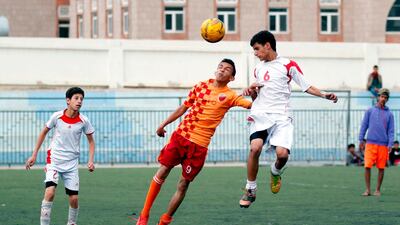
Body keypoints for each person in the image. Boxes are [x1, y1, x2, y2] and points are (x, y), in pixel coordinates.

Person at [134, 59, 252, 225]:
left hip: (199, 146)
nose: (222, 70)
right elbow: (183, 108)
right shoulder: (201, 86)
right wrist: (163, 124)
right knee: (163, 171)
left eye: (227, 69)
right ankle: (144, 215)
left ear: (231, 78)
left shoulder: (231, 96)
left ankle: (164, 221)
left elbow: (250, 105)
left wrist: (254, 93)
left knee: (183, 185)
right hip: (181, 137)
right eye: (220, 67)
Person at [239, 30, 338, 208]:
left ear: (267, 45)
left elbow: (306, 86)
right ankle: (250, 188)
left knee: (282, 155)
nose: (255, 53)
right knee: (255, 148)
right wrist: (252, 91)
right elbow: (257, 96)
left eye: (257, 49)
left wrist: (325, 95)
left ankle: (275, 171)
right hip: (261, 113)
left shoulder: (288, 65)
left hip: (282, 115)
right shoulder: (258, 68)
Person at [25, 87, 95, 225]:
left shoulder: (84, 121)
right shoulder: (57, 117)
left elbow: (91, 141)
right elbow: (43, 132)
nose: (79, 101)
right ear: (68, 100)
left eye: (81, 99)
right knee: (50, 192)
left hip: (72, 163)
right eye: (76, 98)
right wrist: (34, 155)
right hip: (54, 160)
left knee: (74, 199)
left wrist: (91, 161)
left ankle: (71, 223)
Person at [359, 88, 394, 196]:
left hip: (383, 144)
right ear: (378, 97)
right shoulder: (370, 111)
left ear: (387, 99)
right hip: (370, 143)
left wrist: (390, 144)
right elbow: (364, 125)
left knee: (381, 167)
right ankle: (368, 190)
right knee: (367, 166)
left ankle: (377, 189)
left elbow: (391, 131)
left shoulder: (390, 114)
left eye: (385, 97)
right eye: (382, 96)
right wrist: (361, 139)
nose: (383, 99)